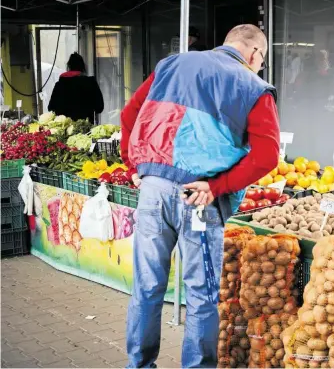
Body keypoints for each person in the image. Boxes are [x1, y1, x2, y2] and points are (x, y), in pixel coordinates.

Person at [121, 24, 280, 368]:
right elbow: (267, 155)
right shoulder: (252, 85)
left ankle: (138, 365)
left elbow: (128, 114)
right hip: (200, 198)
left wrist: (134, 164)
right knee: (202, 295)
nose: (260, 67)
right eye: (261, 60)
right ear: (254, 54)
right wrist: (217, 187)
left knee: (146, 288)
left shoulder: (171, 65)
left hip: (152, 189)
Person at [48, 52, 104, 123]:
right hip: (85, 128)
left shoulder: (59, 85)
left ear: (69, 66)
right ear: (83, 67)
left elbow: (50, 108)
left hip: (64, 129)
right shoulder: (90, 83)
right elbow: (99, 107)